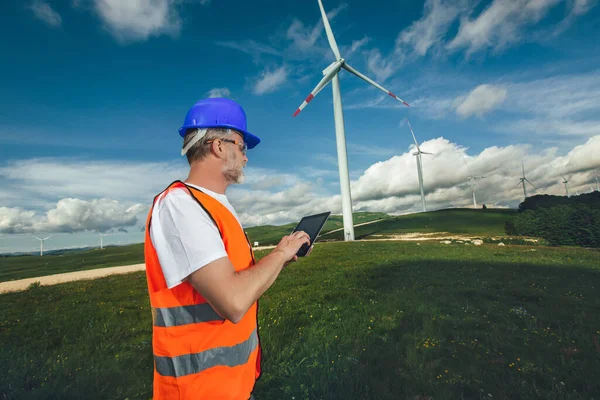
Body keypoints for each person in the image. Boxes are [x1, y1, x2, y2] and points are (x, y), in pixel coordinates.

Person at [143, 97, 311, 400]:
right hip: (199, 390)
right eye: (242, 147)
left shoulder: (212, 206)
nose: (245, 158)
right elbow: (233, 301)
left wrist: (281, 259)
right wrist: (280, 253)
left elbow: (238, 280)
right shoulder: (181, 205)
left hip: (229, 385)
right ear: (219, 146)